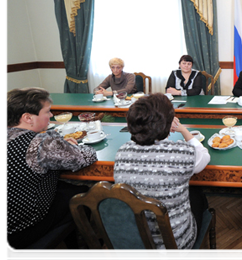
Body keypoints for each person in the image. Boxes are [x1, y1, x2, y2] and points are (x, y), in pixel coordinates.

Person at [114, 93, 210, 259]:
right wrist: (183, 129)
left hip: (134, 244)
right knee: (198, 196)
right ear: (167, 124)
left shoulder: (122, 152)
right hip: (174, 246)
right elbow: (204, 156)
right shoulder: (182, 153)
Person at [5, 87, 97, 257]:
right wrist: (69, 146)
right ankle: (84, 252)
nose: (51, 116)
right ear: (27, 118)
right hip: (19, 231)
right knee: (81, 192)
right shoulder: (39, 143)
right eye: (47, 111)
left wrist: (60, 145)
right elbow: (86, 156)